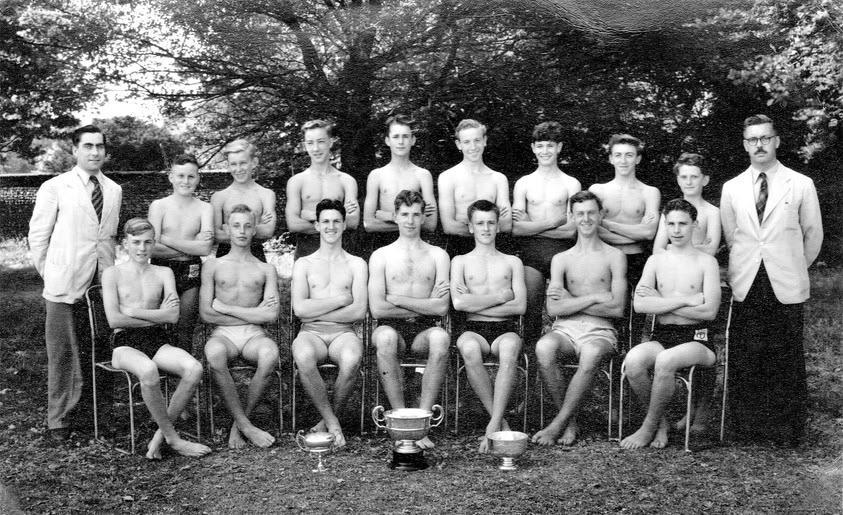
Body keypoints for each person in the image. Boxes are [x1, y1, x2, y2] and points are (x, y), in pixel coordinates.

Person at [720, 114, 823, 446]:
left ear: (777, 141)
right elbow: (732, 236)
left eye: (765, 138)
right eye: (753, 139)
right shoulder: (731, 187)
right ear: (745, 145)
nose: (759, 145)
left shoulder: (801, 183)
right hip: (747, 279)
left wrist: (792, 266)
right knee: (746, 353)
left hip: (786, 279)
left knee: (785, 355)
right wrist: (751, 264)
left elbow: (813, 234)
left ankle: (786, 430)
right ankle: (746, 427)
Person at [28, 124, 122, 441]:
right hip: (63, 281)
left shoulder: (113, 190)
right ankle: (59, 420)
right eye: (87, 146)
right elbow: (38, 238)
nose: (94, 152)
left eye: (99, 147)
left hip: (100, 283)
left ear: (105, 152)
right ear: (75, 150)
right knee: (63, 351)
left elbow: (107, 239)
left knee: (99, 347)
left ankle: (96, 416)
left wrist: (108, 278)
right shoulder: (56, 187)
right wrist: (52, 272)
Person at [101, 218, 211, 460]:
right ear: (125, 245)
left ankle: (159, 437)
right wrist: (154, 315)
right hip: (124, 343)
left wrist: (132, 311)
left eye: (148, 242)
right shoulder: (112, 274)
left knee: (194, 368)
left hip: (157, 340)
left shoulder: (164, 272)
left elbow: (172, 316)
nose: (142, 248)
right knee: (148, 370)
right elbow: (114, 321)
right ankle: (173, 439)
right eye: (136, 242)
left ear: (154, 244)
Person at [619, 199, 721, 449]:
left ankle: (648, 427)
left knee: (665, 361)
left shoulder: (706, 262)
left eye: (683, 224)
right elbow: (640, 305)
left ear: (694, 225)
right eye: (671, 224)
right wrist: (685, 300)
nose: (676, 230)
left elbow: (709, 311)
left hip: (698, 340)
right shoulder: (656, 261)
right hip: (663, 335)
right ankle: (662, 423)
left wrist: (660, 301)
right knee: (633, 361)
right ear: (665, 225)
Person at [532, 191, 625, 446]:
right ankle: (570, 422)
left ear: (601, 214)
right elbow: (553, 309)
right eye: (580, 214)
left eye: (591, 213)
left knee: (592, 352)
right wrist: (596, 297)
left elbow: (617, 309)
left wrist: (570, 299)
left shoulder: (614, 256)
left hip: (600, 331)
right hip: (565, 328)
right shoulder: (561, 259)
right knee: (544, 347)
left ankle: (558, 423)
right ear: (571, 217)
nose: (586, 219)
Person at [368, 190, 450, 449]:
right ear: (395, 217)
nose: (410, 220)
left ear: (424, 217)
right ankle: (401, 421)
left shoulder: (438, 255)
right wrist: (424, 306)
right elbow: (378, 309)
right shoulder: (381, 255)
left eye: (416, 214)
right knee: (385, 338)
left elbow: (441, 308)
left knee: (442, 338)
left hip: (425, 331)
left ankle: (422, 424)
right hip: (392, 328)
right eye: (405, 214)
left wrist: (398, 299)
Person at [201, 204, 282, 449]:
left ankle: (239, 424)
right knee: (214, 353)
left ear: (255, 229)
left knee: (270, 354)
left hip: (253, 335)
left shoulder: (265, 268)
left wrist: (226, 309)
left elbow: (272, 315)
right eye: (236, 225)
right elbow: (206, 313)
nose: (242, 231)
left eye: (247, 225)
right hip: (223, 334)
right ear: (227, 228)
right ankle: (246, 425)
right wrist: (253, 314)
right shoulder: (213, 266)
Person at [291, 199, 367, 448]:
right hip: (310, 333)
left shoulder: (357, 264)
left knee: (353, 358)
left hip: (343, 333)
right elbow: (300, 310)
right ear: (317, 225)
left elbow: (358, 311)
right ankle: (333, 424)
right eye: (325, 221)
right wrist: (340, 299)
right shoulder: (304, 263)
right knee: (302, 355)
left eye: (336, 221)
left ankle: (325, 423)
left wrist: (318, 311)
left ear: (345, 225)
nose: (331, 226)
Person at [451, 200, 526, 452]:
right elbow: (460, 304)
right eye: (480, 223)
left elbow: (519, 307)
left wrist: (475, 301)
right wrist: (499, 297)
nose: (485, 228)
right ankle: (500, 420)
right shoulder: (460, 261)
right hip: (474, 329)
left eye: (490, 223)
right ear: (470, 227)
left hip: (506, 328)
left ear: (498, 226)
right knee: (468, 348)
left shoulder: (511, 262)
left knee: (510, 349)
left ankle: (493, 423)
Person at [512, 121, 580, 348]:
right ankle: (531, 360)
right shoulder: (524, 183)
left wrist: (534, 225)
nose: (545, 151)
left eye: (550, 146)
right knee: (530, 309)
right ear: (533, 148)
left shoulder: (571, 183)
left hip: (563, 251)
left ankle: (565, 351)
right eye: (540, 146)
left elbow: (572, 229)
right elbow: (517, 229)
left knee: (568, 308)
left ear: (559, 147)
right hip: (531, 252)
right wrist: (554, 221)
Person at [589, 134, 660, 346]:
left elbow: (648, 234)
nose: (623, 160)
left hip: (636, 259)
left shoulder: (649, 192)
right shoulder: (598, 190)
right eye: (618, 155)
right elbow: (592, 230)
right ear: (610, 158)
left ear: (638, 158)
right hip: (604, 258)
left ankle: (630, 366)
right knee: (604, 312)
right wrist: (634, 231)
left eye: (629, 155)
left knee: (633, 316)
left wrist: (607, 224)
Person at [148, 154, 214, 351]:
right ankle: (161, 372)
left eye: (191, 176)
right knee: (159, 323)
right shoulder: (159, 206)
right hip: (161, 270)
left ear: (198, 178)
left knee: (185, 325)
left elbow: (204, 248)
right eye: (180, 176)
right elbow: (151, 247)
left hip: (191, 269)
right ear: (171, 177)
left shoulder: (205, 208)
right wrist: (190, 245)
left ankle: (185, 373)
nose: (185, 181)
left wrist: (165, 239)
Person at [285, 120, 360, 260]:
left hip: (339, 254)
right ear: (304, 145)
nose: (315, 148)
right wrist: (337, 220)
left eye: (320, 141)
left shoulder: (346, 180)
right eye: (310, 143)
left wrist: (307, 214)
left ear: (330, 142)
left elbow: (353, 221)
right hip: (306, 253)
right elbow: (293, 224)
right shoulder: (297, 182)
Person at [438, 119, 512, 258]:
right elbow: (449, 226)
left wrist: (468, 224)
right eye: (466, 142)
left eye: (477, 140)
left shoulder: (498, 179)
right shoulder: (447, 178)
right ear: (458, 144)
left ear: (485, 140)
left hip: (494, 248)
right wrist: (490, 226)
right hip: (460, 247)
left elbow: (507, 225)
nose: (473, 147)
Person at [363, 115, 437, 253]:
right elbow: (369, 224)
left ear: (413, 140)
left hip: (416, 245)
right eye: (396, 137)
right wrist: (412, 222)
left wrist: (389, 217)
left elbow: (431, 224)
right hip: (384, 243)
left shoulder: (422, 175)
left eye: (405, 136)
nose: (401, 142)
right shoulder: (377, 175)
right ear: (387, 140)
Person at [210, 139, 276, 262]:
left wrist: (229, 228)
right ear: (228, 166)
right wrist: (255, 225)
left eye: (243, 163)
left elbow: (268, 231)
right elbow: (216, 234)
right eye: (233, 164)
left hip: (255, 255)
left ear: (254, 162)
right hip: (225, 256)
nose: (238, 169)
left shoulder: (266, 195)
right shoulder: (219, 197)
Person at [653, 153, 720, 256]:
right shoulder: (670, 209)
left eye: (694, 177)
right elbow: (657, 250)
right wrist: (697, 247)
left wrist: (670, 247)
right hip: (672, 267)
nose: (688, 182)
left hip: (699, 268)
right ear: (678, 180)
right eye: (684, 177)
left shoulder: (712, 212)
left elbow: (711, 250)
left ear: (705, 180)